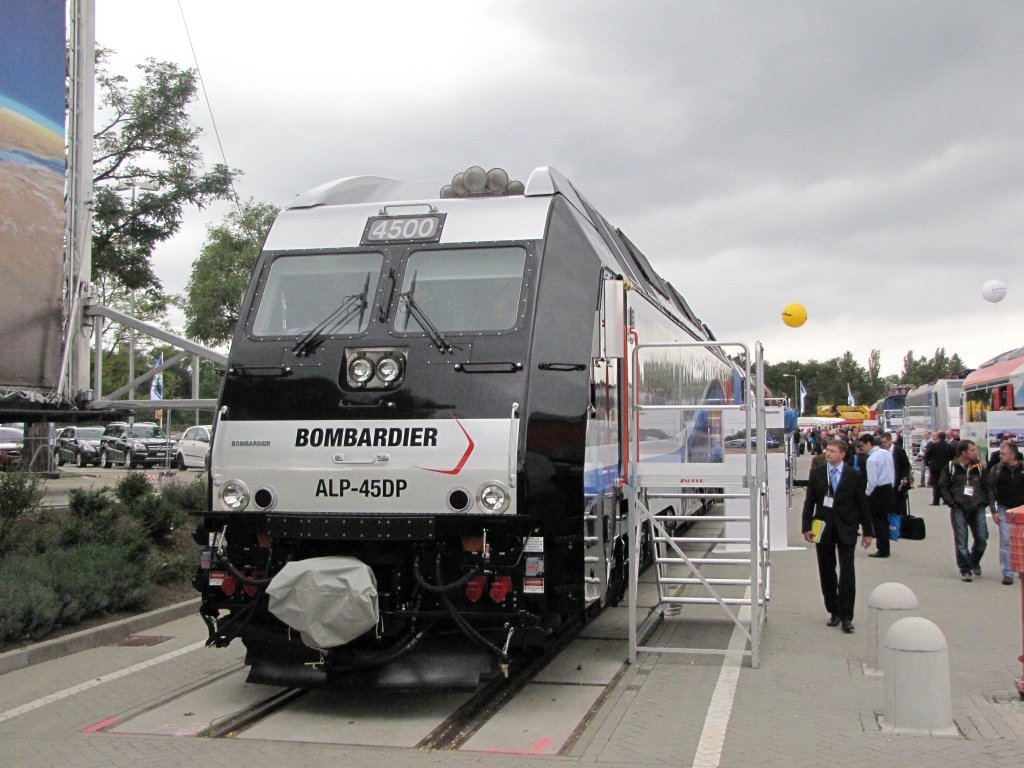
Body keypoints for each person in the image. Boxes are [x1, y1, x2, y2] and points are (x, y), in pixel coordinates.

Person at [802, 439, 874, 633]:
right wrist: (806, 526)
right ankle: (833, 611)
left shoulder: (854, 475)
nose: (828, 453)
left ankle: (847, 615)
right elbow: (809, 502)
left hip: (847, 527)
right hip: (823, 528)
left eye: (833, 451)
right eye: (827, 450)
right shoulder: (817, 474)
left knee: (847, 571)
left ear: (842, 454)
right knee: (826, 570)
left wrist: (868, 532)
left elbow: (863, 505)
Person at [939, 439, 990, 581]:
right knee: (961, 539)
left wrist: (984, 502)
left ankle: (974, 560)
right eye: (972, 450)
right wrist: (951, 502)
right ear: (963, 453)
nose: (975, 453)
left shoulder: (979, 467)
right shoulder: (951, 466)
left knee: (982, 537)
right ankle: (965, 568)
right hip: (959, 506)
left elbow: (987, 486)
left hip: (977, 505)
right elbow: (943, 486)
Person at [990, 440, 1023, 586]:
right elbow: (990, 488)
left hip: (1022, 508)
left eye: (1003, 454)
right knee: (1005, 540)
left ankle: (1021, 568)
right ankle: (1007, 572)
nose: (1000, 456)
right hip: (1004, 508)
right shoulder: (997, 469)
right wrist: (993, 510)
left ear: (1012, 455)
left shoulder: (1023, 469)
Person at [857, 434, 896, 557]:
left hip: (877, 491)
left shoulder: (871, 459)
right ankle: (885, 547)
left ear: (869, 443)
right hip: (888, 487)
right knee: (884, 520)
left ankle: (882, 549)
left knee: (878, 522)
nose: (861, 448)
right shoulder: (887, 453)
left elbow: (872, 481)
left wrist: (866, 494)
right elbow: (892, 472)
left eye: (862, 445)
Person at [880, 431, 912, 515]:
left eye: (884, 442)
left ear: (890, 440)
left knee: (900, 505)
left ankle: (901, 522)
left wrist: (904, 477)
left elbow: (906, 466)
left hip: (898, 482)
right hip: (886, 483)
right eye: (882, 442)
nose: (883, 444)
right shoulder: (881, 452)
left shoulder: (899, 451)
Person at [926, 431, 955, 505]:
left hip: (935, 468)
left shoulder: (934, 446)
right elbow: (953, 456)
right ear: (945, 437)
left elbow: (927, 455)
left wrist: (928, 463)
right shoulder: (949, 446)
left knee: (936, 484)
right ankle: (946, 500)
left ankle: (936, 501)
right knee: (946, 484)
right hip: (946, 467)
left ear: (938, 437)